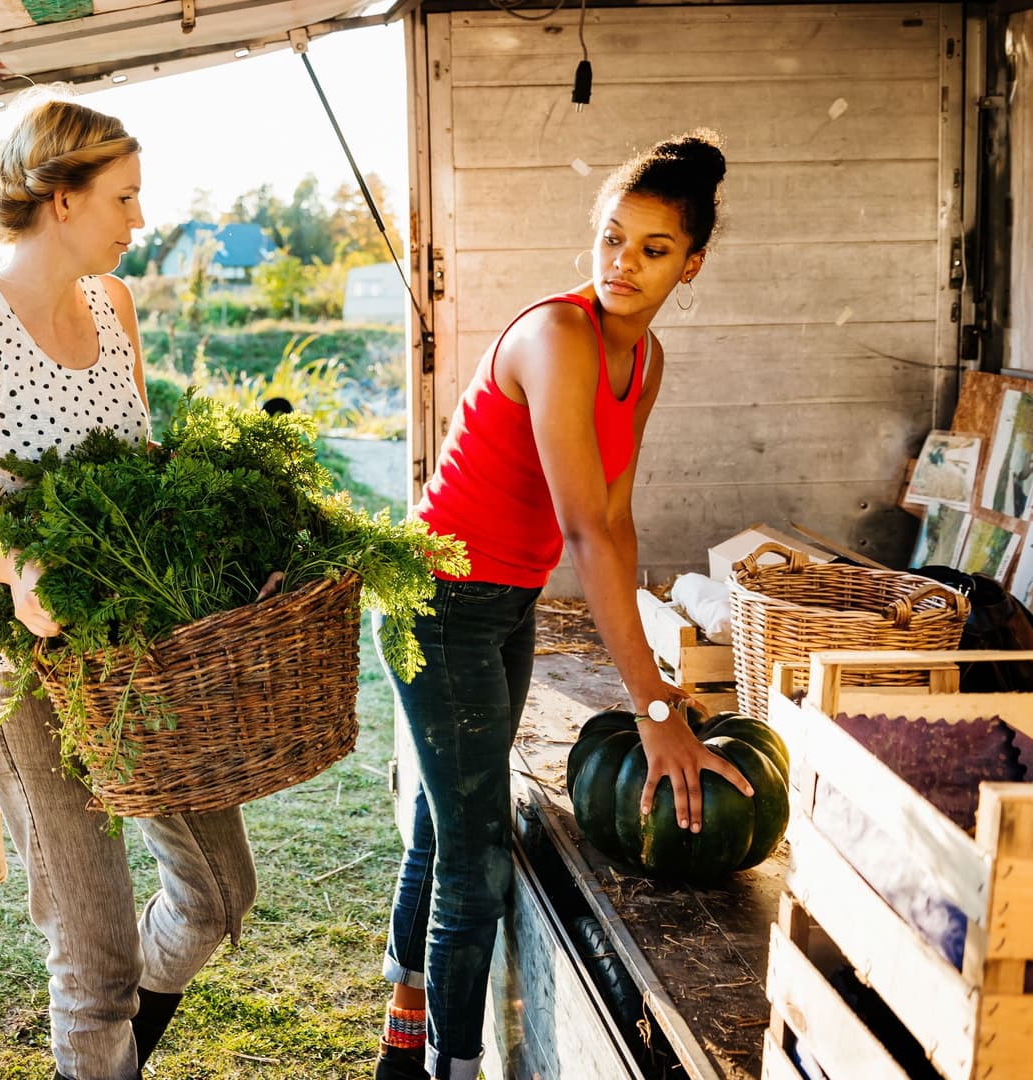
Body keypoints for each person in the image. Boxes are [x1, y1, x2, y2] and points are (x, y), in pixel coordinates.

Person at [0, 95, 257, 1080]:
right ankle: (101, 1047)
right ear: (58, 197)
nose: (140, 220)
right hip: (34, 672)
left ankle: (127, 1043)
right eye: (124, 198)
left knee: (219, 898)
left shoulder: (112, 304)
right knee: (93, 961)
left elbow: (137, 460)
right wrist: (15, 563)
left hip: (145, 658)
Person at [370, 131, 755, 1080]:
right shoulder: (558, 336)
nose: (624, 263)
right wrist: (657, 709)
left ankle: (402, 1026)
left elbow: (618, 522)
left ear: (691, 264)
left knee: (444, 827)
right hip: (439, 601)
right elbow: (587, 534)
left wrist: (655, 685)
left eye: (654, 249)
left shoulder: (644, 360)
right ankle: (448, 1067)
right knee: (480, 859)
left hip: (503, 603)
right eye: (612, 239)